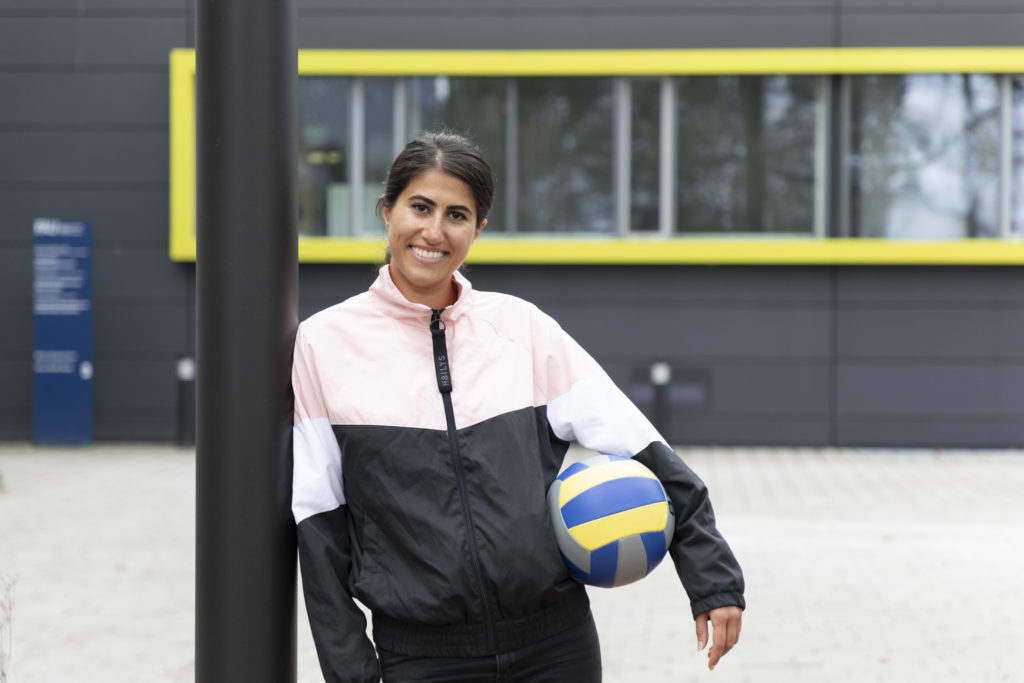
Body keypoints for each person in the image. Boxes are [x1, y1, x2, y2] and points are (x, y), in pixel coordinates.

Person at [291, 131, 745, 683]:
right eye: (420, 207)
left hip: (556, 648)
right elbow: (318, 521)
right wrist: (353, 672)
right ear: (387, 212)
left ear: (478, 229)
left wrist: (711, 578)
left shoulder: (522, 328)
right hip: (421, 659)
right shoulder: (323, 344)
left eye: (457, 215)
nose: (434, 231)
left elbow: (642, 445)